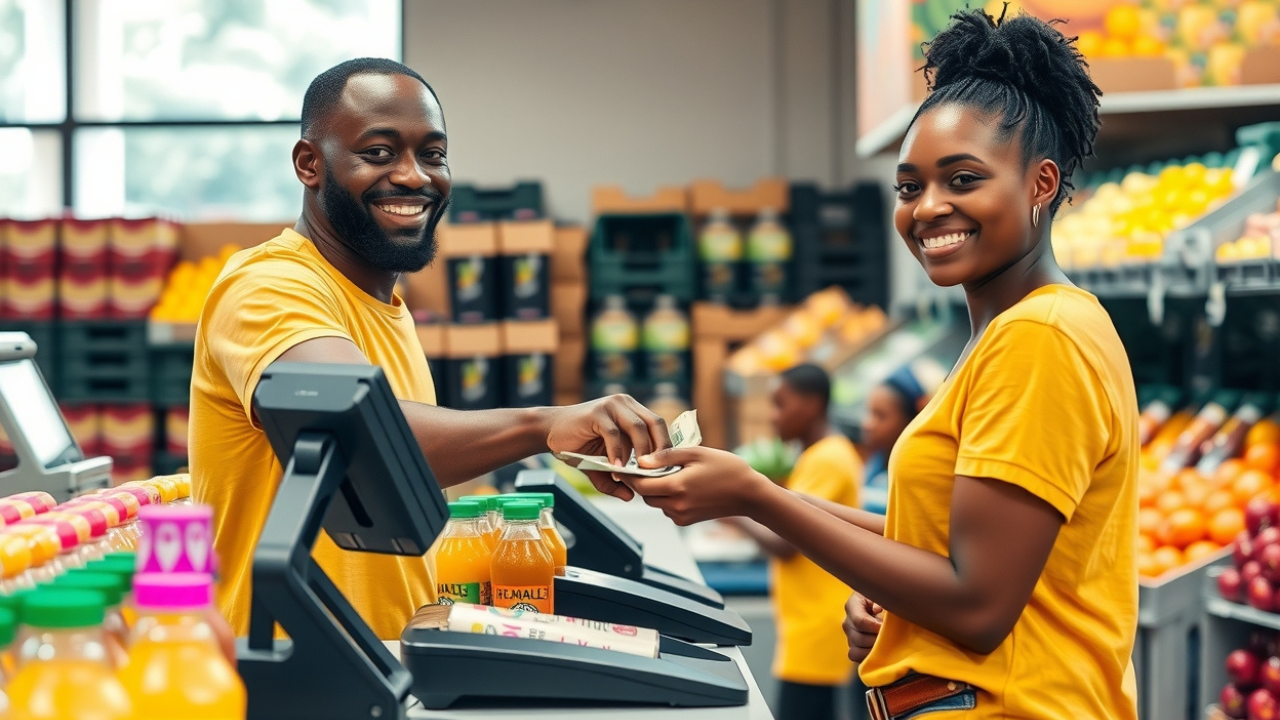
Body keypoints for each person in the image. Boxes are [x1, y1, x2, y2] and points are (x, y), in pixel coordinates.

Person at [622, 9, 1138, 719]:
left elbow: (978, 605)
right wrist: (746, 487)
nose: (928, 208)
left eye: (962, 179)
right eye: (908, 187)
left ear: (1041, 184)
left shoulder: (1042, 335)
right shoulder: (1006, 337)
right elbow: (934, 545)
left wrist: (757, 498)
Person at [190, 58, 669, 641]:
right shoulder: (267, 286)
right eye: (380, 152)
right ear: (309, 164)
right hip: (295, 676)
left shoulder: (386, 307)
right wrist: (544, 424)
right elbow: (366, 436)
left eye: (433, 154)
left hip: (384, 666)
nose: (416, 177)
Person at [721, 364, 861, 720]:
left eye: (780, 404)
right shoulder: (819, 455)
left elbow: (786, 541)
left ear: (812, 404)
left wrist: (735, 505)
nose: (772, 416)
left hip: (819, 624)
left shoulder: (827, 458)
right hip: (810, 621)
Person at [860, 363, 940, 514]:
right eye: (869, 412)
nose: (867, 424)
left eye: (880, 416)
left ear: (909, 420)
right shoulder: (877, 459)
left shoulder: (916, 474)